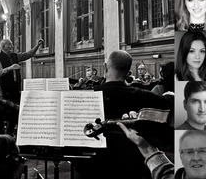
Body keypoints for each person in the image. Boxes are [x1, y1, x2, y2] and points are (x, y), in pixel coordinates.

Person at [74, 50, 174, 179]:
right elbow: (169, 102)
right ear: (128, 72)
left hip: (91, 165)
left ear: (105, 67)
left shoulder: (87, 94)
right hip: (132, 164)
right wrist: (168, 94)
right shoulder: (141, 94)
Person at [0, 38, 44, 104]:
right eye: (9, 44)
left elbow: (28, 54)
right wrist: (10, 68)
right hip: (5, 91)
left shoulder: (15, 56)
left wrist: (37, 46)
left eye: (11, 44)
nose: (12, 46)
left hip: (17, 90)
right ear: (3, 47)